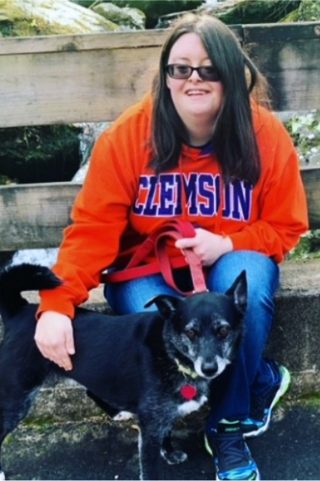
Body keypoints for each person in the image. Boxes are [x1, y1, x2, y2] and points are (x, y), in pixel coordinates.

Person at [35, 13, 308, 480]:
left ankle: (226, 428)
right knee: (155, 326)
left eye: (208, 69)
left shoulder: (265, 137)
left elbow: (285, 227)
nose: (194, 79)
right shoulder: (128, 136)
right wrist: (57, 303)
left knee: (252, 275)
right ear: (166, 77)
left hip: (224, 266)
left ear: (232, 73)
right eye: (180, 69)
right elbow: (93, 227)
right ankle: (254, 378)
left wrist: (226, 242)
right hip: (146, 268)